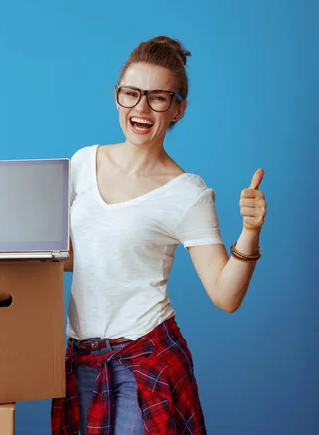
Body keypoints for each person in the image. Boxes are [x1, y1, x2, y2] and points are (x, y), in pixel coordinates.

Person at [51, 36, 267, 435]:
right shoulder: (83, 162)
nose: (141, 108)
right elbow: (72, 256)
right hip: (80, 360)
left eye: (158, 98)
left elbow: (226, 295)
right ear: (117, 97)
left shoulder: (186, 193)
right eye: (131, 94)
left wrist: (250, 233)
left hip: (145, 360)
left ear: (178, 109)